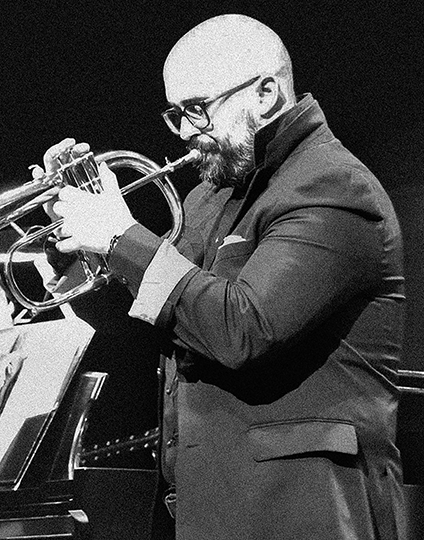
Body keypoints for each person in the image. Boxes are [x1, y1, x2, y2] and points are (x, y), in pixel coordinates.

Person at [37, 14, 407, 540]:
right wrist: (79, 248)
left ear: (264, 93)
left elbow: (242, 329)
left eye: (197, 109)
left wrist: (121, 236)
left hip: (305, 513)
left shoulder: (333, 188)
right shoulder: (210, 196)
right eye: (176, 113)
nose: (187, 131)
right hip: (207, 509)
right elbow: (173, 317)